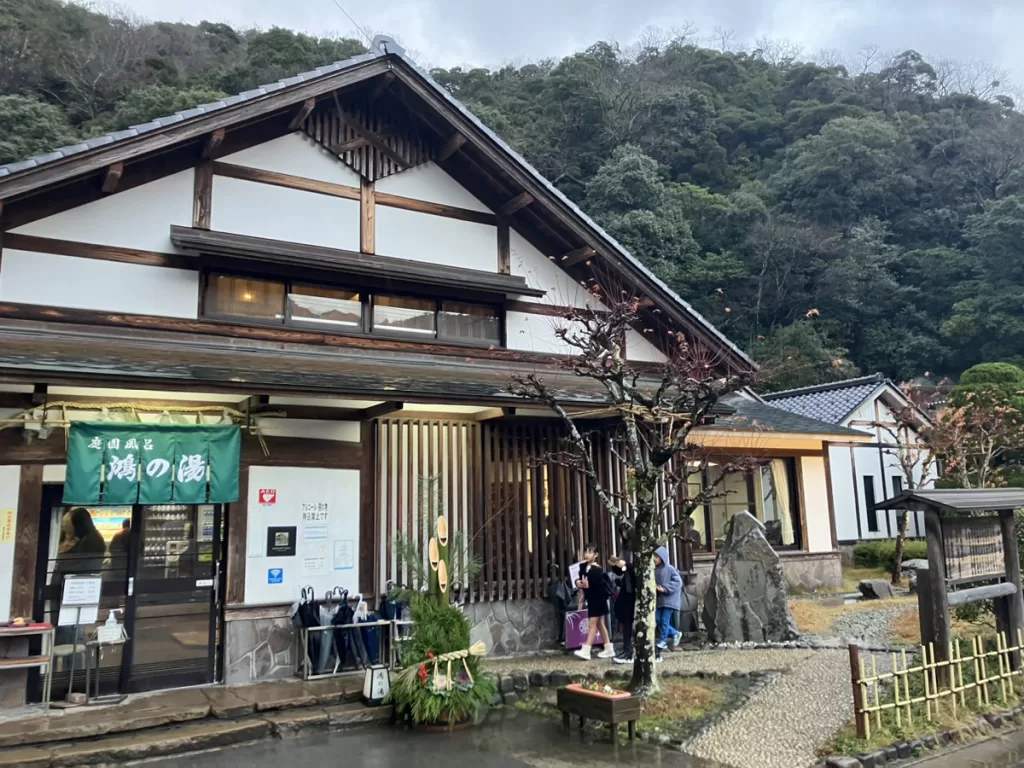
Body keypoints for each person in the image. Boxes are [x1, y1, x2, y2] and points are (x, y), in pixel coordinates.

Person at [574, 543, 614, 660]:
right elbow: (580, 578)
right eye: (586, 552)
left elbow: (594, 584)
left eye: (590, 552)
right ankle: (608, 648)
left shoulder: (597, 569)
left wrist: (587, 585)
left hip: (598, 599)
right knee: (599, 624)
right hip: (591, 599)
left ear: (596, 555)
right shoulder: (583, 566)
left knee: (592, 624)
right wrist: (577, 582)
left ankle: (586, 649)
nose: (587, 555)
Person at [608, 553, 637, 664]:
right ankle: (627, 650)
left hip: (636, 592)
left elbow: (637, 571)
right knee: (625, 619)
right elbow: (623, 571)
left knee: (630, 622)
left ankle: (630, 651)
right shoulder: (627, 549)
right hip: (627, 591)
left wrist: (626, 565)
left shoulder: (642, 547)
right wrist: (616, 565)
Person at [654, 546, 683, 650]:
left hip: (670, 599)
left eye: (656, 556)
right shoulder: (655, 570)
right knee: (657, 619)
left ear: (662, 557)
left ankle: (663, 641)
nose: (654, 559)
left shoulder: (670, 569)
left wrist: (665, 588)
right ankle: (675, 633)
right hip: (661, 599)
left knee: (664, 620)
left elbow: (678, 582)